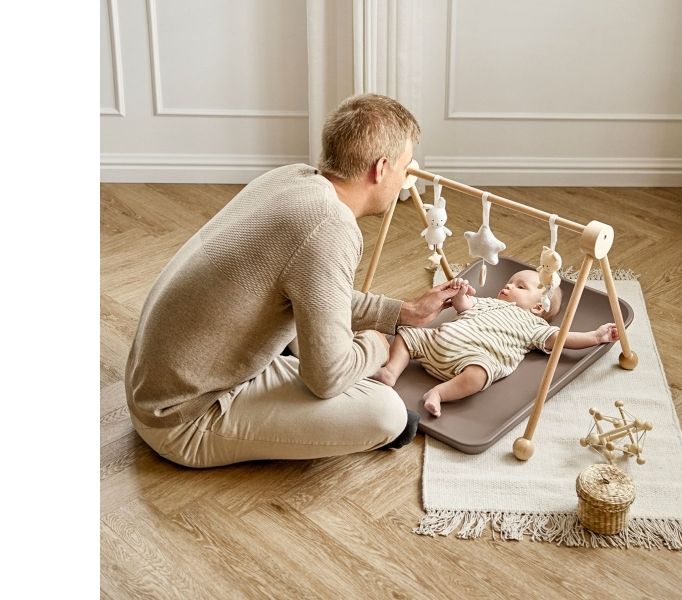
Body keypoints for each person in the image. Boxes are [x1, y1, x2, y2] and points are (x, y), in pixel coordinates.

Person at [125, 93, 474, 468]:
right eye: (406, 167)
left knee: (310, 338)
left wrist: (404, 311)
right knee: (388, 413)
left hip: (161, 379)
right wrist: (376, 345)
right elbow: (327, 379)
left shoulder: (292, 178)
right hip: (182, 417)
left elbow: (316, 290)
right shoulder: (329, 227)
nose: (406, 178)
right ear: (381, 168)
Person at [371, 270, 619, 417]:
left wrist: (596, 336)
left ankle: (438, 393)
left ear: (538, 307)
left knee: (480, 375)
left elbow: (562, 339)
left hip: (469, 359)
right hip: (435, 341)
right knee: (407, 334)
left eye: (520, 286)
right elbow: (463, 306)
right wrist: (459, 292)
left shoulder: (535, 326)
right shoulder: (489, 302)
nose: (508, 285)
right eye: (509, 282)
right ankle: (391, 371)